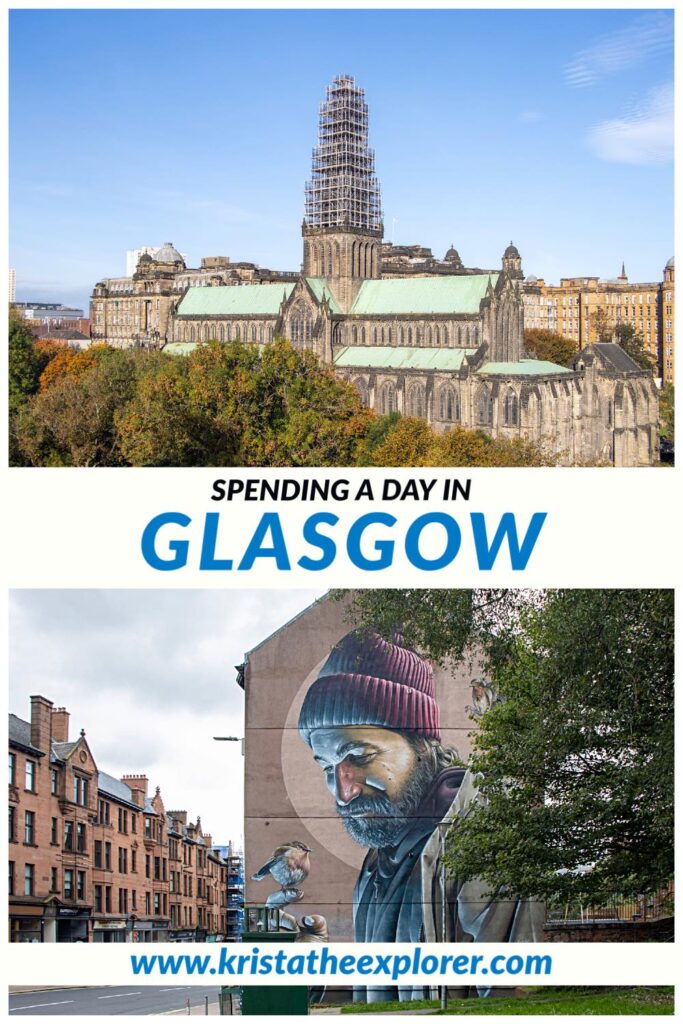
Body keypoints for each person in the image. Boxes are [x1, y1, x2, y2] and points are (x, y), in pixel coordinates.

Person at [298, 628, 544, 1003]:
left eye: (360, 757)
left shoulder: (477, 834)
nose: (343, 791)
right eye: (327, 767)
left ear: (421, 744)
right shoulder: (381, 856)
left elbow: (511, 993)